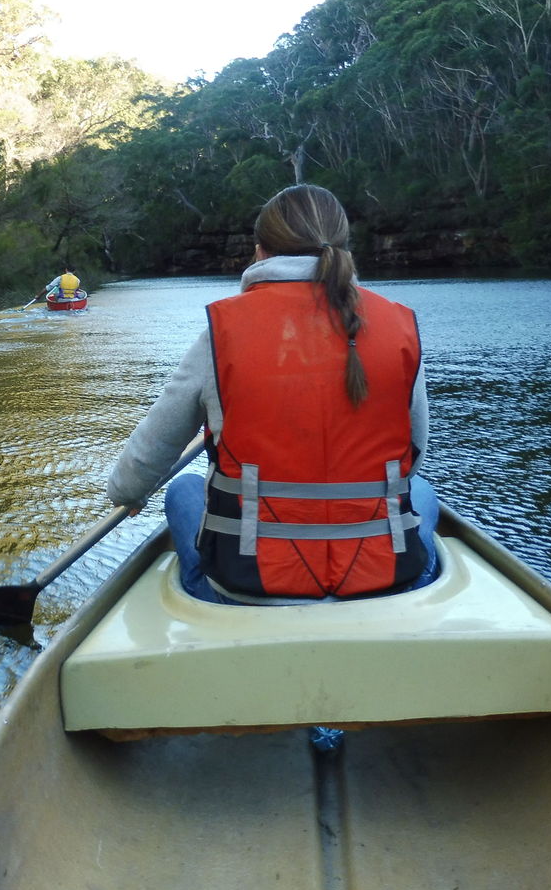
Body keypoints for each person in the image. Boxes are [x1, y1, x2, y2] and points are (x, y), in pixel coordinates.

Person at [106, 184, 440, 605]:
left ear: (261, 251)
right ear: (342, 246)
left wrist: (125, 493)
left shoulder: (221, 332)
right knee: (424, 492)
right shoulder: (399, 327)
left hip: (248, 584)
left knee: (182, 490)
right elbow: (414, 455)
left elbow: (147, 456)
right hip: (382, 574)